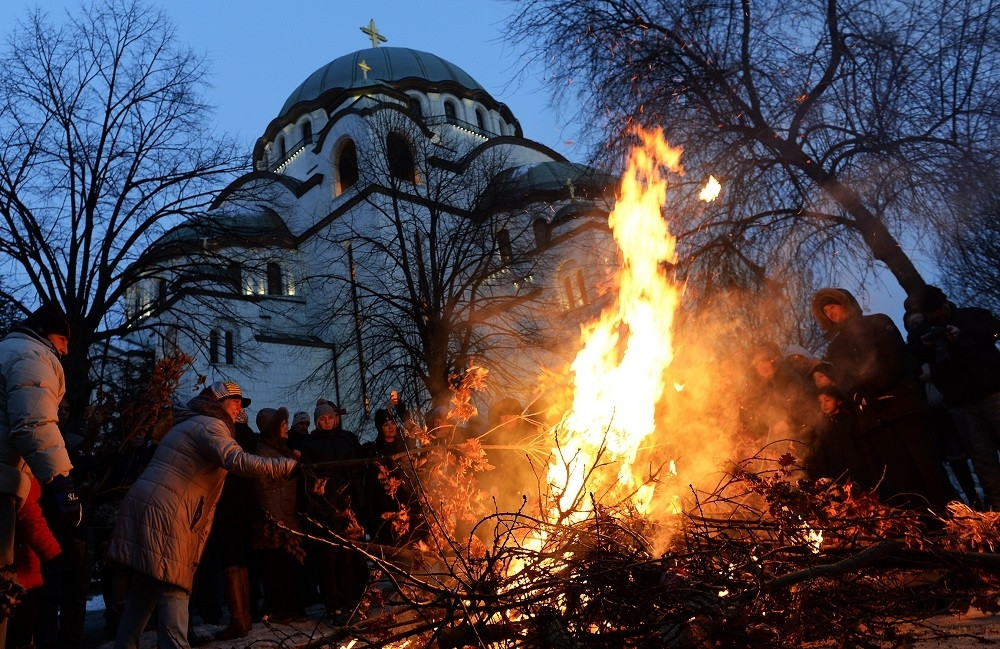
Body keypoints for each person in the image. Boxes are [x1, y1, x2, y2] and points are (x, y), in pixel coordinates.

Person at [106, 380, 298, 649]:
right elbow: (237, 460)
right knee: (174, 587)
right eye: (234, 402)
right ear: (217, 402)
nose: (238, 409)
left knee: (144, 589)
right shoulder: (211, 425)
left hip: (145, 508)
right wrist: (285, 466)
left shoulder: (189, 423)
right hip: (168, 514)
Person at [810, 287, 954, 508]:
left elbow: (894, 357)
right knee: (900, 473)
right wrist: (856, 393)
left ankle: (950, 514)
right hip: (872, 417)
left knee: (927, 464)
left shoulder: (877, 322)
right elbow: (842, 376)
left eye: (832, 306)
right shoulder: (835, 347)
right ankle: (921, 523)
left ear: (846, 304)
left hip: (902, 406)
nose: (830, 313)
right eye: (825, 311)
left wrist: (871, 387)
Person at [0, 302, 80, 646]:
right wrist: (63, 483)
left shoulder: (7, 349)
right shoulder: (33, 356)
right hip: (2, 482)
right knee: (2, 585)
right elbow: (34, 423)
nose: (65, 351)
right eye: (64, 343)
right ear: (53, 336)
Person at [907, 284, 1000, 509]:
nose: (937, 315)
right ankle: (997, 505)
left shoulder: (972, 316)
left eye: (938, 309)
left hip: (993, 393)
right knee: (982, 458)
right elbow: (912, 359)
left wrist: (963, 333)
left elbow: (995, 329)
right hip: (962, 404)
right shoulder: (924, 334)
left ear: (945, 303)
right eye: (931, 313)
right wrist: (925, 346)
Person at [298, 399, 367, 624]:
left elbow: (355, 475)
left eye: (330, 418)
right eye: (322, 419)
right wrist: (313, 509)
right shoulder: (310, 444)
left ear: (335, 419)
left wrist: (359, 505)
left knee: (346, 557)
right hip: (323, 510)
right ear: (317, 421)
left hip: (346, 508)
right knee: (327, 559)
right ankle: (333, 606)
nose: (327, 422)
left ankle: (347, 604)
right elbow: (308, 482)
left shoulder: (345, 441)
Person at [253, 407, 307, 623]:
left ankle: (292, 607)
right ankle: (279, 608)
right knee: (276, 567)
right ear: (272, 428)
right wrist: (275, 517)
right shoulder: (262, 453)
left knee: (290, 565)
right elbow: (263, 486)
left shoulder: (284, 450)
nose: (287, 427)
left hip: (288, 515)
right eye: (282, 424)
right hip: (275, 520)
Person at [8, 475, 61, 649]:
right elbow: (30, 517)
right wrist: (52, 551)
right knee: (21, 631)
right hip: (21, 568)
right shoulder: (20, 475)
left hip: (16, 561)